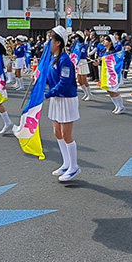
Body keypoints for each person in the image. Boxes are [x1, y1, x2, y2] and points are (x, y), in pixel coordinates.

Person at [46, 26, 80, 181]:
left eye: (50, 40)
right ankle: (66, 163)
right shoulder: (53, 59)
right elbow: (50, 78)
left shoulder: (65, 60)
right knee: (57, 132)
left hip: (66, 98)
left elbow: (64, 83)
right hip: (56, 98)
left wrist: (48, 93)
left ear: (58, 43)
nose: (48, 43)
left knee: (66, 134)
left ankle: (74, 167)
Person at [100, 35, 125, 114]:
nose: (104, 42)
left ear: (110, 42)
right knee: (109, 90)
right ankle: (116, 105)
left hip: (113, 74)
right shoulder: (104, 51)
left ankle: (121, 106)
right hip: (106, 74)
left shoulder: (113, 52)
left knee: (114, 91)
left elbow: (116, 62)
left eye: (106, 40)